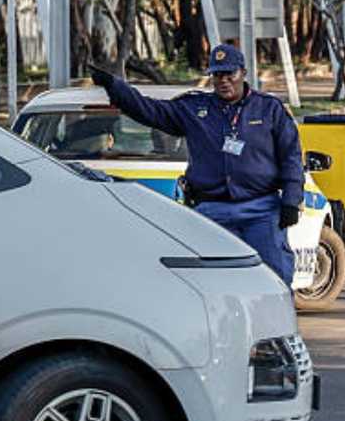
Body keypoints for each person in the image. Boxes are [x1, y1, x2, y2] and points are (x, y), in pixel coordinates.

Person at [90, 43, 303, 284]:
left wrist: (291, 201)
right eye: (217, 75)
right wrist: (115, 86)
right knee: (213, 284)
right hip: (212, 212)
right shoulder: (195, 108)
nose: (223, 81)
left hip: (261, 210)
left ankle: (276, 322)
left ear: (243, 73)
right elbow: (150, 111)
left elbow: (291, 157)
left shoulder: (269, 108)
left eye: (229, 74)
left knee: (275, 278)